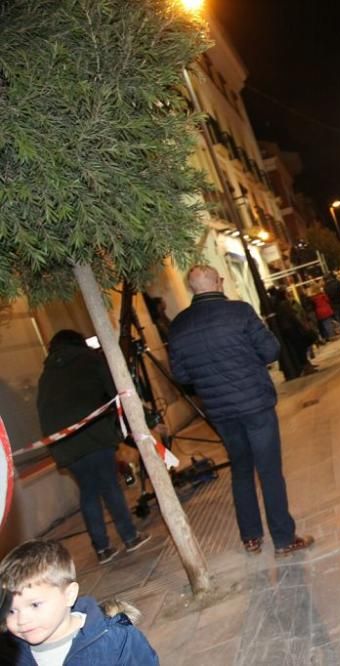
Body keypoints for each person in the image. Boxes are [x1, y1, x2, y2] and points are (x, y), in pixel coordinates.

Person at [168, 265, 313, 557]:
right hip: (255, 404)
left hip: (221, 412)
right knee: (269, 471)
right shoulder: (240, 312)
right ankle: (284, 538)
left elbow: (181, 376)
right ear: (218, 283)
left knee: (241, 470)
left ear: (192, 290)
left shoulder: (179, 326)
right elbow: (270, 351)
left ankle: (250, 537)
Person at [36, 330, 150, 565]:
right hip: (93, 434)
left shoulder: (46, 374)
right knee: (109, 485)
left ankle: (102, 548)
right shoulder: (90, 360)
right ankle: (130, 537)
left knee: (88, 490)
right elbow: (113, 391)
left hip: (65, 443)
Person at [0, 539, 157, 664]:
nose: (22, 620)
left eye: (34, 605)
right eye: (11, 611)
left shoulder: (117, 641)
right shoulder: (10, 654)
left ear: (69, 595)